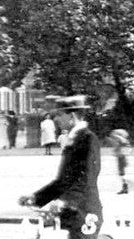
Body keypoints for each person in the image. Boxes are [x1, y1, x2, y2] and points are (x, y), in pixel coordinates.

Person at [18, 95, 103, 239]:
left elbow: (87, 177)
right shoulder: (72, 140)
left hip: (84, 211)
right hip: (70, 212)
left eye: (59, 115)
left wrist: (65, 201)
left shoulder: (88, 139)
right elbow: (62, 182)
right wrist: (36, 198)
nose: (56, 119)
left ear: (72, 115)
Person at [108, 129, 131, 194]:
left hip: (121, 157)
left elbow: (120, 145)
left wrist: (115, 150)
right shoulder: (123, 140)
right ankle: (125, 187)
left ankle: (125, 187)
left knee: (121, 173)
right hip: (121, 157)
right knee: (121, 173)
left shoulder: (121, 139)